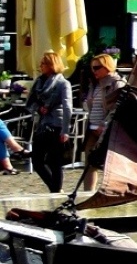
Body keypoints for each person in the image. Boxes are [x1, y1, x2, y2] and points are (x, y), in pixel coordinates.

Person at [26, 51, 73, 192]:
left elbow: (67, 107)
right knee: (37, 160)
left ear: (52, 65)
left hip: (56, 124)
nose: (40, 66)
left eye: (44, 63)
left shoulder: (63, 83)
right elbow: (30, 102)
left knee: (54, 161)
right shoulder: (39, 82)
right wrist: (39, 108)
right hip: (43, 124)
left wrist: (65, 130)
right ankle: (55, 189)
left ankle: (55, 190)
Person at [81, 50, 122, 161]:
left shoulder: (117, 83)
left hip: (108, 130)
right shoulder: (94, 84)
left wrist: (104, 125)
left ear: (107, 66)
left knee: (109, 163)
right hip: (92, 128)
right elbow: (91, 106)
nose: (94, 71)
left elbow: (117, 108)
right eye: (92, 68)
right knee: (89, 162)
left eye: (97, 67)